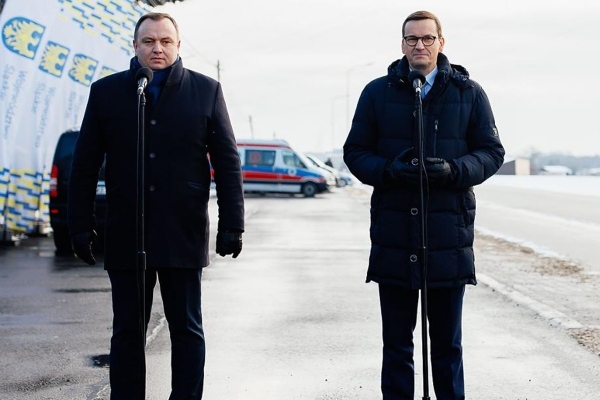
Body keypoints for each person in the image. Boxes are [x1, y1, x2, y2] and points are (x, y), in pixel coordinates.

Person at [67, 12, 244, 400]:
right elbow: (84, 162)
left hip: (183, 230)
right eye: (148, 41)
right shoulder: (107, 92)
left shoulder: (206, 91)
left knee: (187, 329)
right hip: (127, 230)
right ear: (135, 46)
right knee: (127, 331)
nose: (157, 48)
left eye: (165, 41)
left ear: (178, 45)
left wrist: (233, 222)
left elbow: (228, 161)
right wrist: (79, 223)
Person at [343, 10, 504, 400]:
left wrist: (453, 170)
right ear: (402, 44)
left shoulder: (469, 93)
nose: (420, 45)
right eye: (412, 39)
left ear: (441, 43)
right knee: (397, 345)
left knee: (447, 346)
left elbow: (491, 152)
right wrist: (389, 170)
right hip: (395, 236)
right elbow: (355, 152)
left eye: (427, 38)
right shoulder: (377, 93)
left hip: (447, 237)